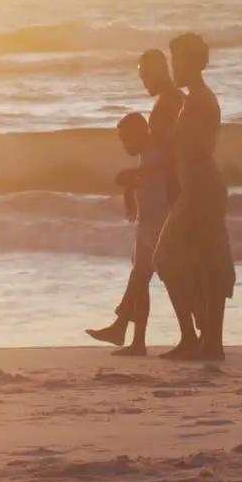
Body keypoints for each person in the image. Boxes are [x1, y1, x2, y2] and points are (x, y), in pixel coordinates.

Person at [85, 50, 183, 353]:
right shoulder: (166, 104)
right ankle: (133, 336)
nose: (143, 83)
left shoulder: (168, 104)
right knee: (142, 271)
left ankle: (128, 326)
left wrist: (133, 175)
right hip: (154, 204)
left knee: (153, 273)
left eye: (144, 76)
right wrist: (131, 189)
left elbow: (168, 158)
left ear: (157, 70)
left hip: (161, 206)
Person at [152, 32, 235, 361]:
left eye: (178, 61)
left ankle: (205, 340)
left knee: (189, 259)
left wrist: (193, 195)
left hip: (202, 189)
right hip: (196, 188)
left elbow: (199, 150)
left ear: (193, 63)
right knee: (192, 260)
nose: (174, 68)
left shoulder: (201, 100)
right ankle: (201, 338)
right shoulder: (193, 98)